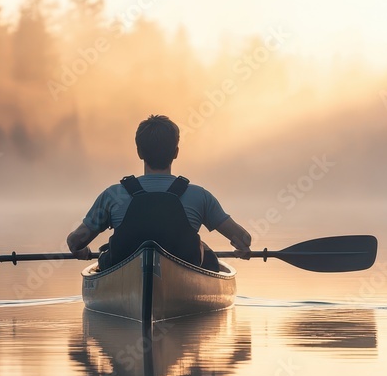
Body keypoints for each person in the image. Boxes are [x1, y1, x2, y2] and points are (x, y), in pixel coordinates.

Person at [66, 115, 252, 270]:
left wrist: (81, 251)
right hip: (184, 273)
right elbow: (243, 238)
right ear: (176, 152)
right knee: (205, 252)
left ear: (139, 152)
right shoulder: (200, 196)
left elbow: (75, 242)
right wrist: (242, 248)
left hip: (124, 271)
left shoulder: (114, 195)